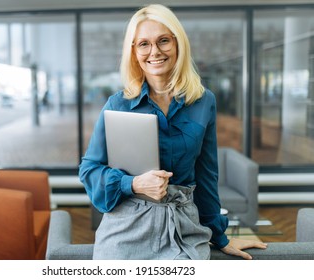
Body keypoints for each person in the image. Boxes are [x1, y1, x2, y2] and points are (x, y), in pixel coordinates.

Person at [79, 4, 267, 260]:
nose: (154, 52)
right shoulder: (118, 104)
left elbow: (206, 174)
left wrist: (220, 236)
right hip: (126, 227)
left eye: (163, 41)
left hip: (184, 226)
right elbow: (89, 170)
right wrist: (132, 183)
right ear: (133, 52)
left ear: (178, 44)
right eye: (143, 44)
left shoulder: (204, 101)